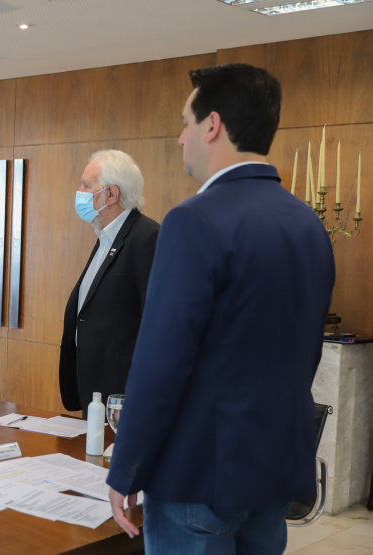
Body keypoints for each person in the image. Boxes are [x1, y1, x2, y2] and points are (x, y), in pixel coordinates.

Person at [106, 63, 335, 553]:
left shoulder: (193, 220)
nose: (180, 137)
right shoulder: (308, 224)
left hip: (200, 473)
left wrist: (127, 466)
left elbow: (162, 360)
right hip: (274, 464)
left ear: (212, 125)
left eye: (185, 123)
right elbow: (305, 351)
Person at [59, 150, 159, 415]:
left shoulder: (146, 237)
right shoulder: (106, 237)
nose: (79, 191)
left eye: (86, 185)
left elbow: (156, 324)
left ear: (111, 194)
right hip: (94, 391)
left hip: (123, 396)